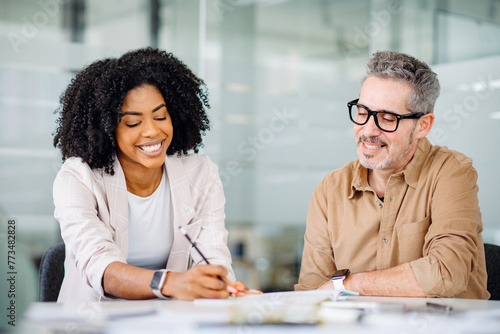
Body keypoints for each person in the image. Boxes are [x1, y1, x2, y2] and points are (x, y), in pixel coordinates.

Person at [53, 47, 257, 303]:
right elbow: (99, 266)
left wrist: (222, 287)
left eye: (160, 116)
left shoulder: (200, 174)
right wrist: (171, 282)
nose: (152, 131)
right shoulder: (77, 178)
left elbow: (214, 256)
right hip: (92, 323)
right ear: (106, 129)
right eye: (133, 123)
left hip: (169, 323)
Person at [295, 51, 489, 299]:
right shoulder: (330, 189)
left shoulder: (452, 172)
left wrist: (352, 284)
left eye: (387, 118)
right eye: (363, 112)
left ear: (423, 125)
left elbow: (446, 273)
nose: (368, 130)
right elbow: (312, 294)